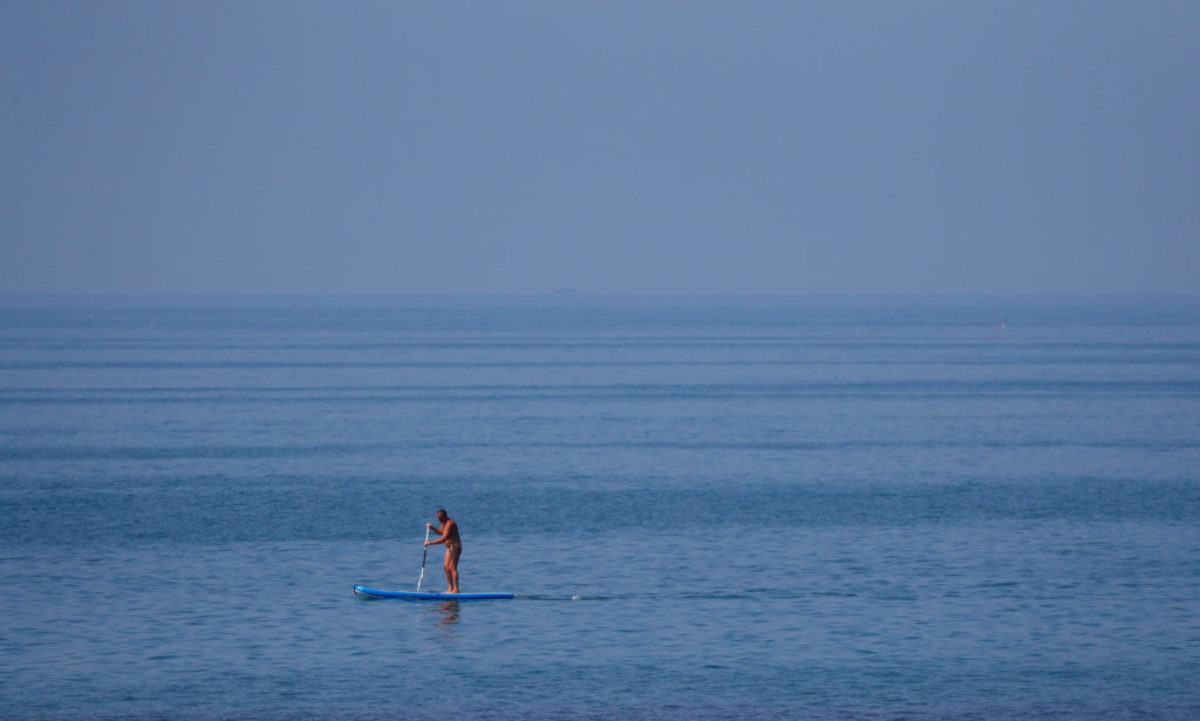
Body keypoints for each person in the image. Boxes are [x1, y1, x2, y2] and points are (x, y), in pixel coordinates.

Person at [425, 509, 461, 593]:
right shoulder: (443, 523)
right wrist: (431, 527)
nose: (439, 520)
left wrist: (430, 543)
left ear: (445, 516)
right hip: (449, 548)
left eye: (441, 518)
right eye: (438, 518)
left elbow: (443, 539)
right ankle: (450, 588)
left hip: (455, 546)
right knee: (446, 567)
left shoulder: (450, 523)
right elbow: (440, 532)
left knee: (452, 567)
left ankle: (456, 589)